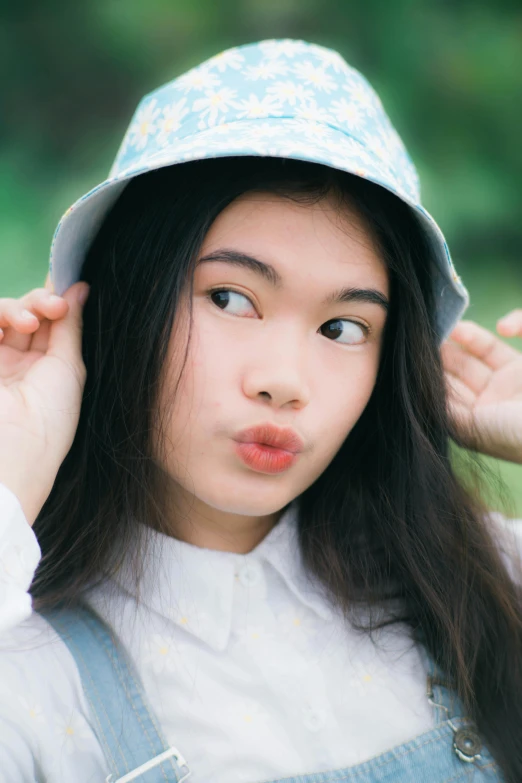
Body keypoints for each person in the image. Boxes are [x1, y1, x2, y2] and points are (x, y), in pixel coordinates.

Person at [0, 38, 521, 783]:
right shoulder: (29, 673)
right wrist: (10, 468)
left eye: (343, 328)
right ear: (124, 300)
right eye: (232, 299)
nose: (286, 382)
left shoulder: (477, 582)